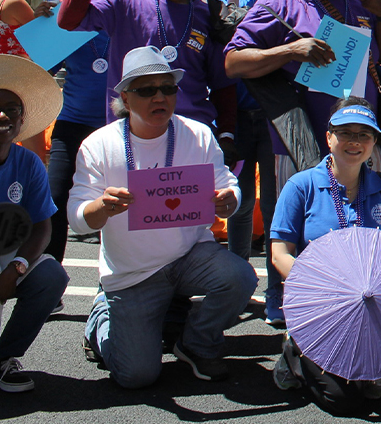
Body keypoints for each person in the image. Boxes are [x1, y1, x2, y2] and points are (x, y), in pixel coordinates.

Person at [75, 46, 257, 389]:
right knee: (136, 377)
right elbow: (78, 218)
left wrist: (228, 201)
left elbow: (228, 186)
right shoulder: (98, 145)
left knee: (240, 277)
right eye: (147, 90)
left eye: (168, 88)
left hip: (189, 256)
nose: (160, 97)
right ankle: (102, 317)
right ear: (126, 100)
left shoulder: (198, 134)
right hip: (133, 273)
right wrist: (100, 207)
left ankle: (195, 343)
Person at [225, 0, 381, 179]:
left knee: (362, 220)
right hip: (303, 148)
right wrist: (290, 51)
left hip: (361, 143)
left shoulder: (363, 0)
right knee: (305, 219)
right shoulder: (280, 1)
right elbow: (233, 62)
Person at [269, 100, 381, 412]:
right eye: (345, 133)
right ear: (329, 137)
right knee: (343, 403)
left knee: (371, 392)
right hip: (318, 300)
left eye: (364, 135)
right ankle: (293, 354)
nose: (355, 142)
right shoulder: (301, 185)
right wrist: (321, 284)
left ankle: (366, 363)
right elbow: (279, 255)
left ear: (373, 142)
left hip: (366, 300)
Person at [57, 0, 237, 138]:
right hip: (133, 135)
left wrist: (226, 135)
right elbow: (67, 20)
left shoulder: (207, 16)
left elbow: (223, 85)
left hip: (190, 137)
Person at [0, 55, 70, 392]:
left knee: (49, 275)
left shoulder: (27, 162)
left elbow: (42, 225)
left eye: (12, 109)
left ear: (21, 119)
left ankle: (0, 362)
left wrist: (15, 268)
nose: (2, 116)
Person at [219, 0, 286, 321]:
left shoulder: (287, 3)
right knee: (238, 204)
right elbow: (224, 46)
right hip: (239, 119)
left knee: (276, 206)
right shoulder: (237, 1)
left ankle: (276, 291)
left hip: (276, 117)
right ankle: (237, 285)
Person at [46, 0, 126, 263]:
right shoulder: (68, 27)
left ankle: (115, 289)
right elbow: (39, 73)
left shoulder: (124, 22)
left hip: (117, 127)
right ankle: (48, 279)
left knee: (119, 206)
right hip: (72, 126)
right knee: (54, 200)